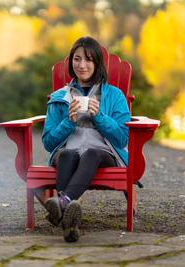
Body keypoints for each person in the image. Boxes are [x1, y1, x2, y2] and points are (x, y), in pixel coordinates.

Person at [41, 36, 131, 242]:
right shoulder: (59, 97)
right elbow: (48, 143)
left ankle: (61, 204)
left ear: (97, 63)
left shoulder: (115, 96)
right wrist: (68, 122)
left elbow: (123, 138)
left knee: (91, 153)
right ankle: (70, 224)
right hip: (67, 151)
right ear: (71, 62)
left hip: (102, 152)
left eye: (89, 59)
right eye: (77, 59)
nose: (82, 65)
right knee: (65, 154)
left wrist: (99, 117)